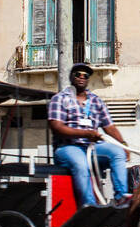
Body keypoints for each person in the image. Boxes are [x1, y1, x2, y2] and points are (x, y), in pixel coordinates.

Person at [48, 63, 130, 207]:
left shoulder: (96, 100)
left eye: (85, 75)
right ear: (71, 77)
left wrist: (122, 144)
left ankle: (121, 196)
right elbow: (57, 127)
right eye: (77, 74)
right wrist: (86, 133)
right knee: (81, 164)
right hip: (68, 147)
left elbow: (109, 126)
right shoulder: (60, 98)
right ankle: (89, 205)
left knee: (117, 153)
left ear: (88, 79)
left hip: (92, 147)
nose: (81, 77)